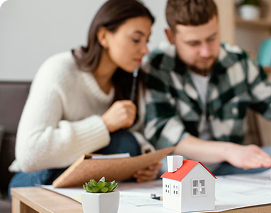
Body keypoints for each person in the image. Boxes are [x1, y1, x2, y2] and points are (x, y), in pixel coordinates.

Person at [143, 0, 271, 175]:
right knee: (160, 167)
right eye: (193, 43)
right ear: (171, 37)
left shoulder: (238, 60)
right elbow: (168, 136)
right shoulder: (157, 66)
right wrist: (230, 151)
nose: (205, 51)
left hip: (231, 165)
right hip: (183, 167)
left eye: (212, 38)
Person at [8, 0, 161, 193]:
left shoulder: (129, 79)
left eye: (147, 40)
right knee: (120, 144)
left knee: (126, 143)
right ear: (104, 36)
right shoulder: (59, 70)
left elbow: (133, 137)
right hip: (35, 176)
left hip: (88, 178)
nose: (145, 50)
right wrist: (103, 125)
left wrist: (144, 163)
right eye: (136, 39)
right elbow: (29, 155)